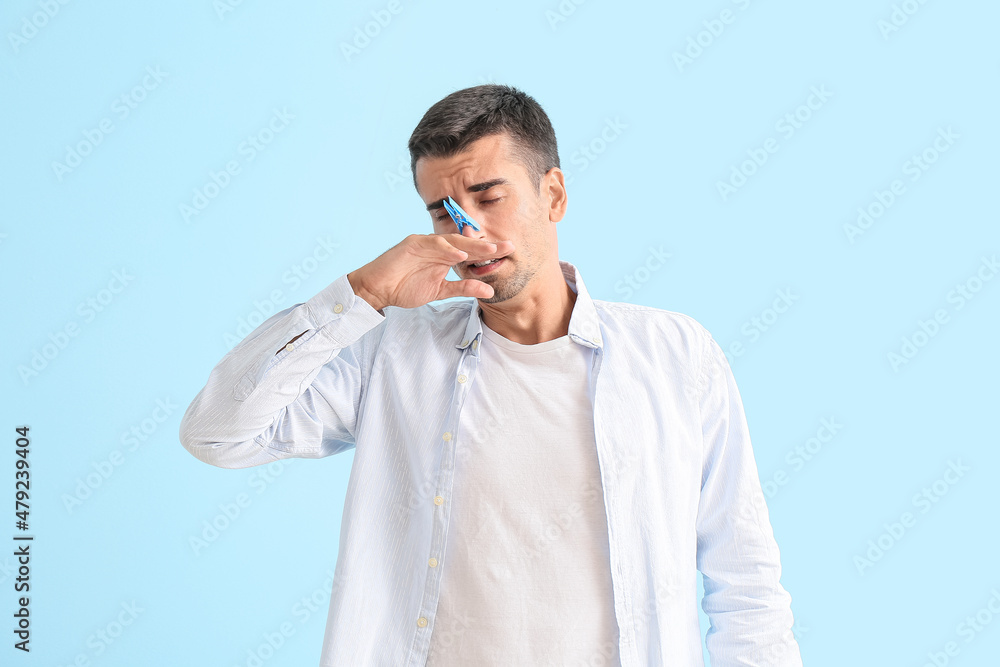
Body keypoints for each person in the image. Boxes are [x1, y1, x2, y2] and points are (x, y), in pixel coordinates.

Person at [179, 84, 803, 667]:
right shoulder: (393, 353)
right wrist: (361, 295)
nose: (469, 230)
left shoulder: (674, 355)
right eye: (444, 211)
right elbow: (218, 435)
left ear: (553, 194)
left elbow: (743, 575)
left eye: (488, 197)